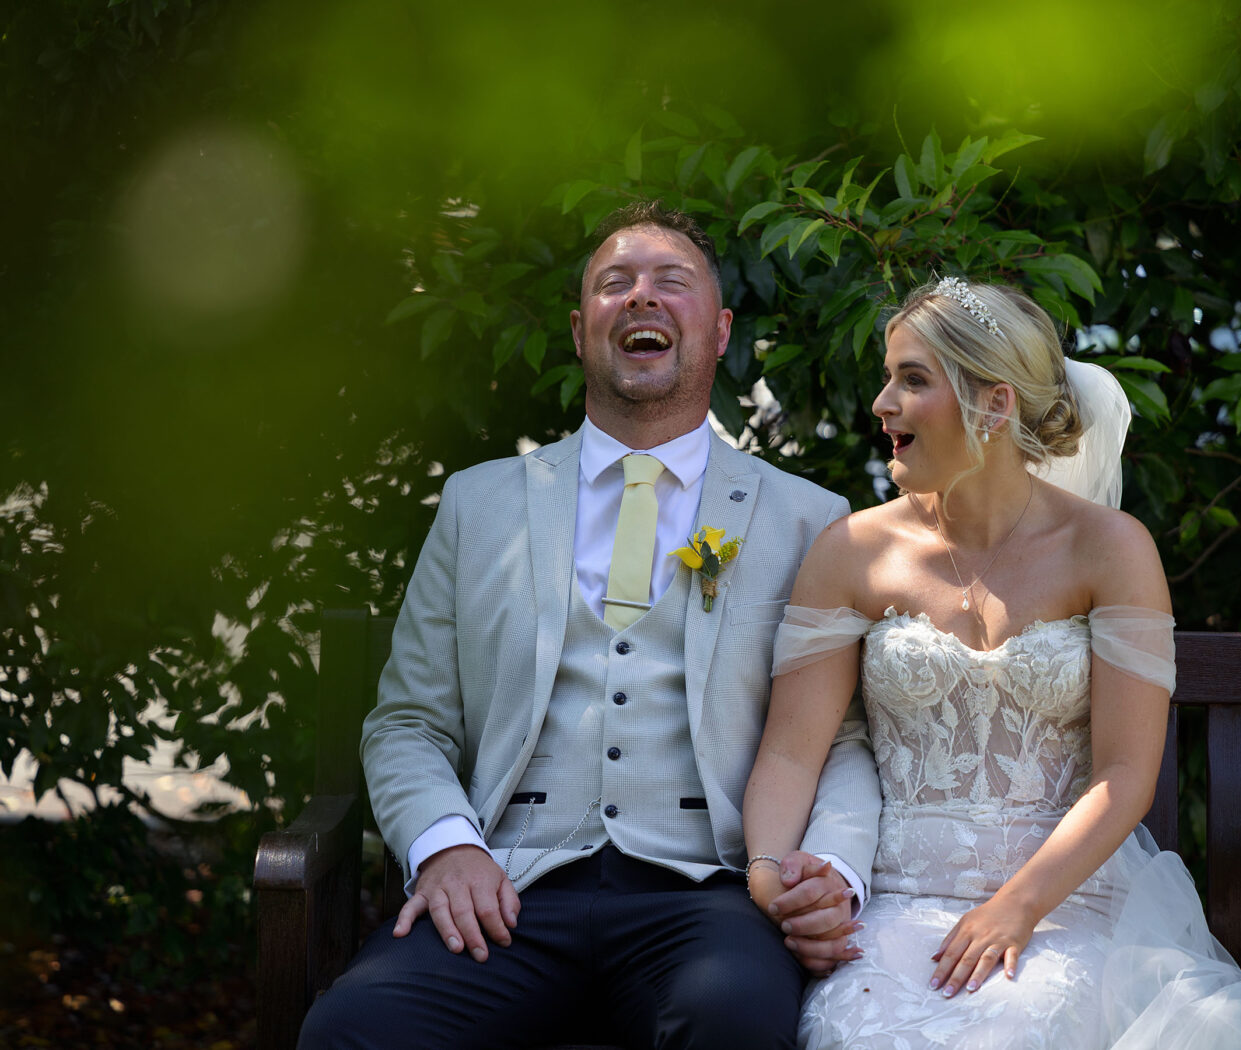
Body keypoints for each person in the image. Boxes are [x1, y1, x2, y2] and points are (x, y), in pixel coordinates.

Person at [297, 201, 881, 1050]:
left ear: (719, 333)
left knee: (737, 1021)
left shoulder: (810, 520)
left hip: (709, 891)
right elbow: (407, 723)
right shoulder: (478, 502)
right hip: (507, 886)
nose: (642, 297)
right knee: (354, 1029)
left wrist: (832, 868)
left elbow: (846, 740)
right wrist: (445, 848)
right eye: (616, 284)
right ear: (580, 331)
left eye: (670, 283)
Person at [742, 277, 1241, 1049]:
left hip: (1065, 907)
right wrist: (771, 883)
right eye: (888, 379)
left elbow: (1123, 774)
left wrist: (1017, 906)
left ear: (995, 404)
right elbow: (789, 751)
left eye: (911, 380)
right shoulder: (853, 551)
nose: (881, 404)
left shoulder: (1111, 551)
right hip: (890, 908)